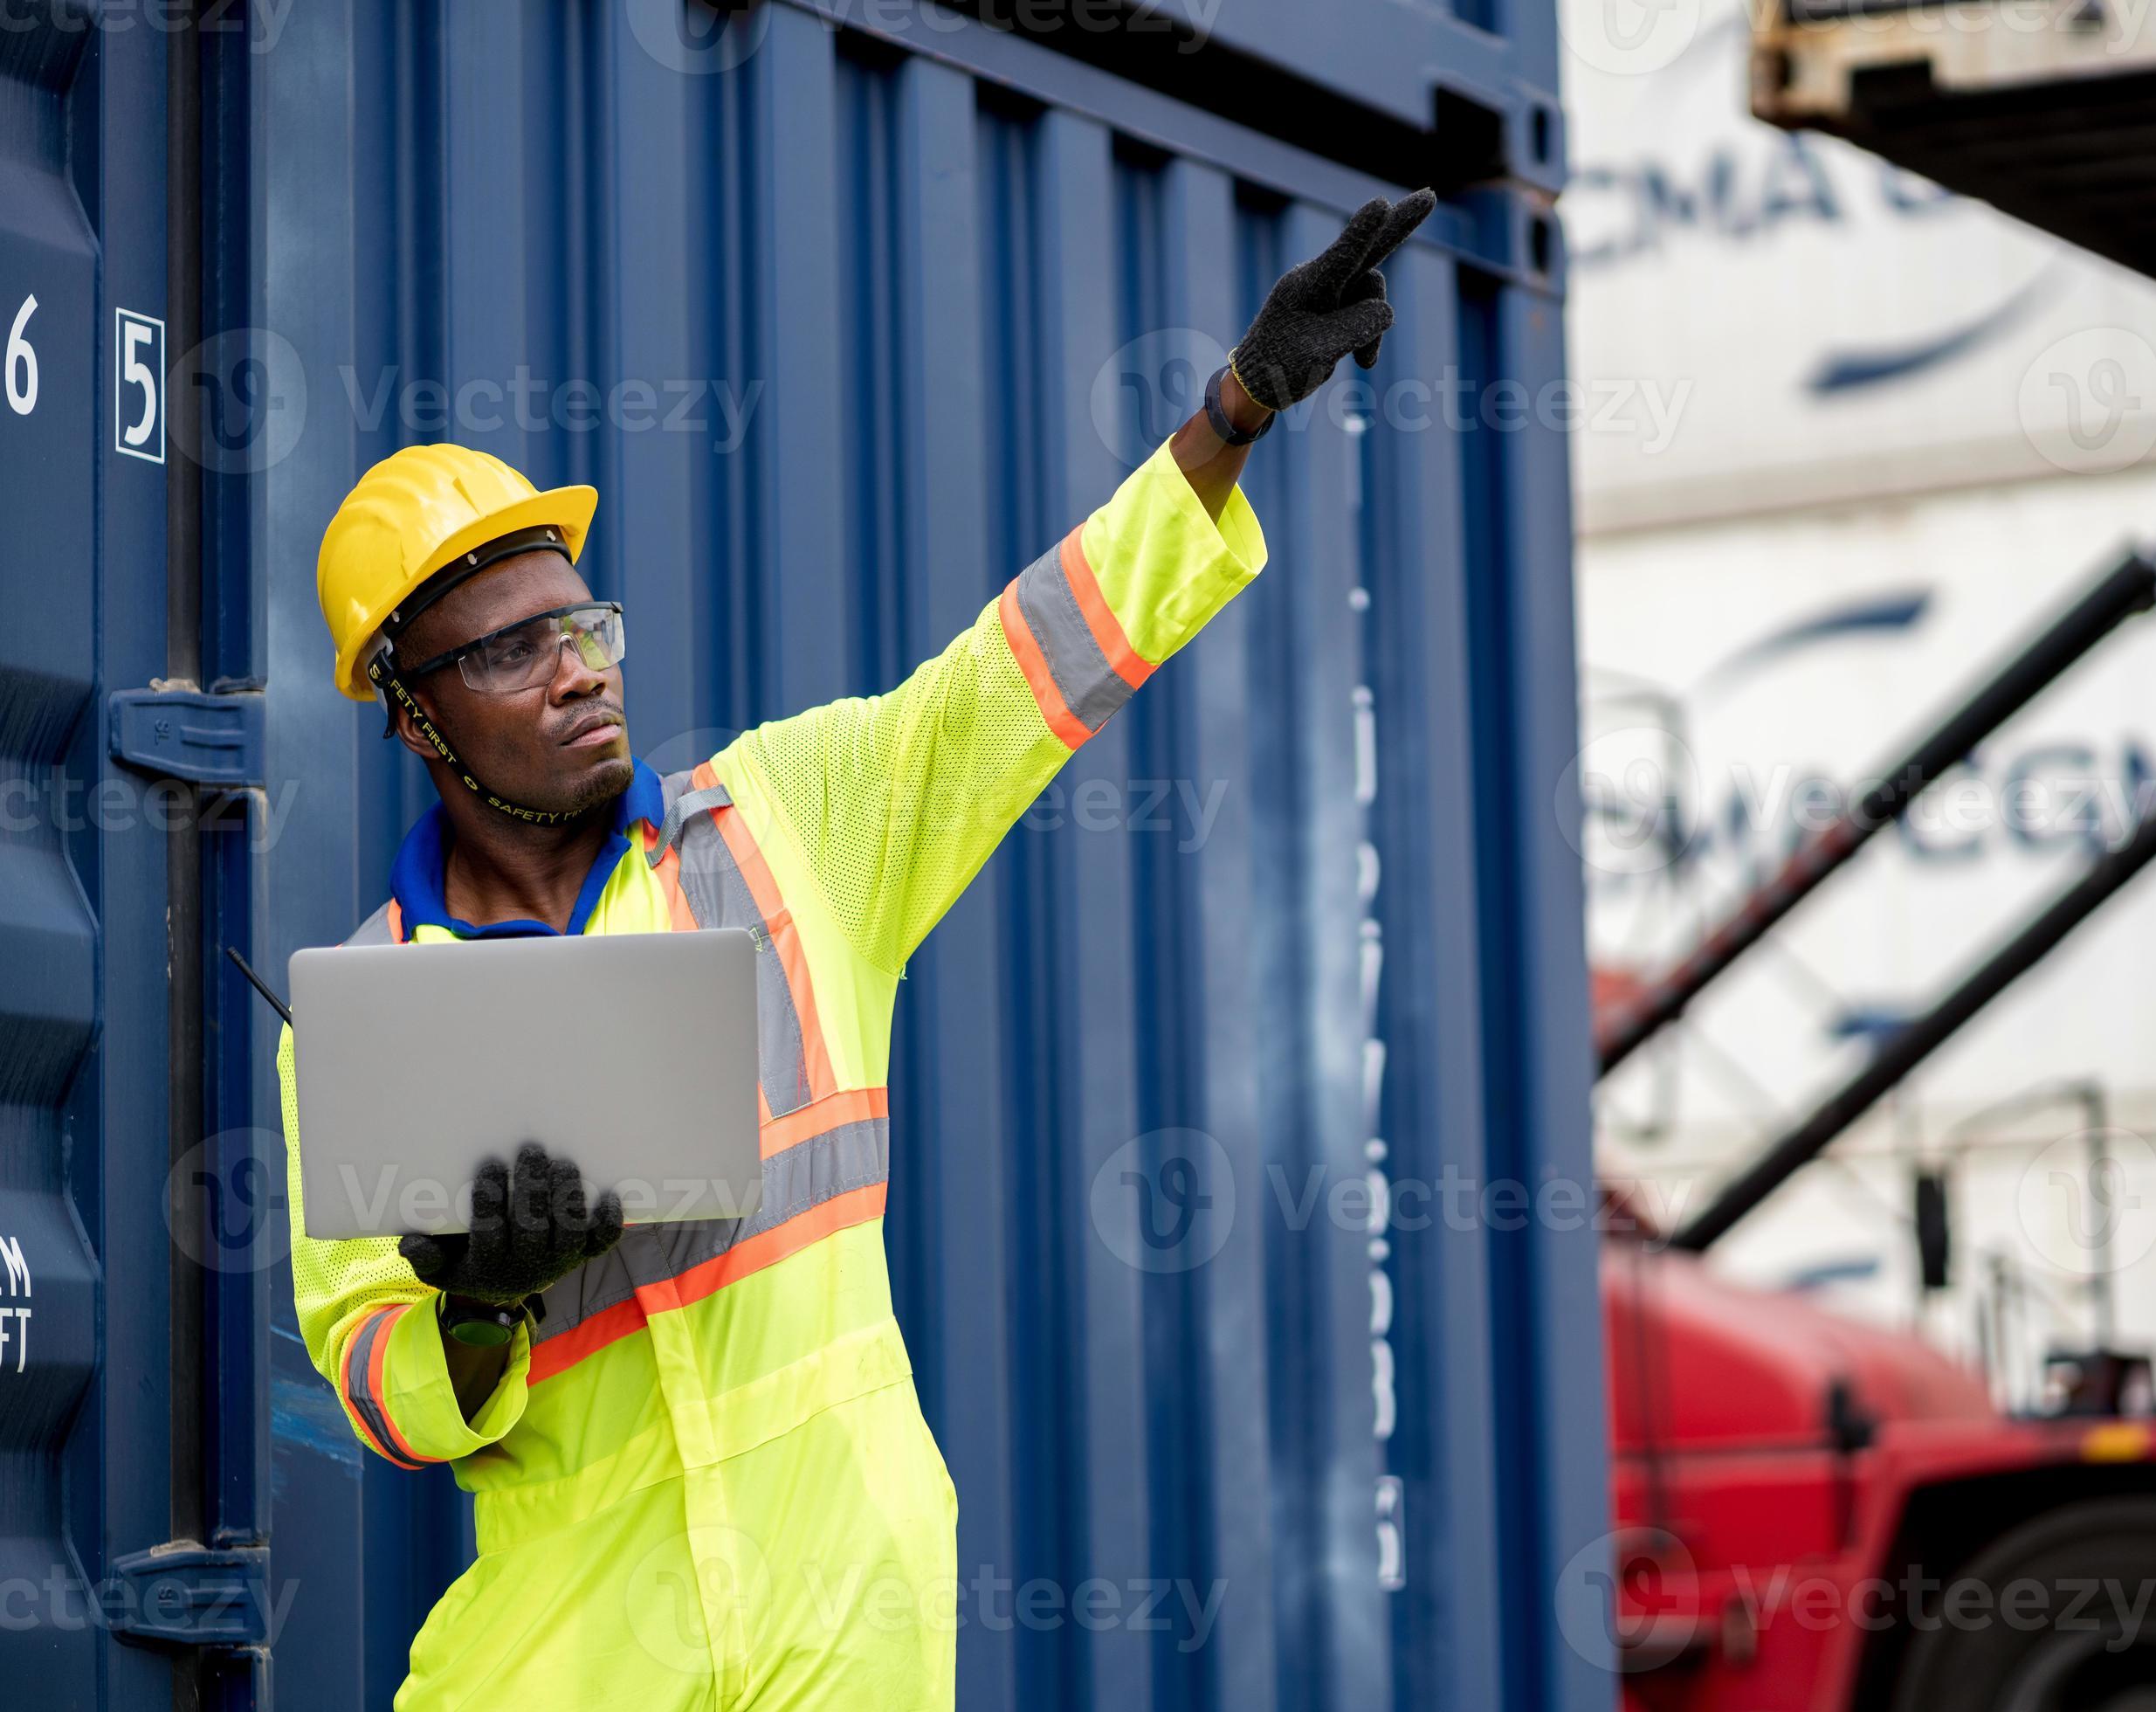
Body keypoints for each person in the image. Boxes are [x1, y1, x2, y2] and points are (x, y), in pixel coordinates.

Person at [279, 192, 1436, 1709]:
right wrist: (479, 1314)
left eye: (587, 627)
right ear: (417, 713)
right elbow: (371, 1377)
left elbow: (1018, 671)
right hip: (570, 1657)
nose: (577, 674)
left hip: (850, 1624)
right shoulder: (366, 1020)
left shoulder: (790, 825)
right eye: (513, 650)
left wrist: (1231, 414)